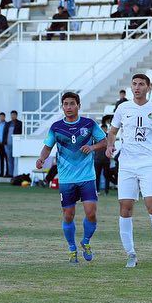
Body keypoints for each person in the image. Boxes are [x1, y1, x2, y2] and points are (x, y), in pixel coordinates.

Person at [105, 73, 152, 268]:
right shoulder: (123, 108)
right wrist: (110, 145)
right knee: (125, 208)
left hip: (149, 164)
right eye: (134, 84)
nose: (137, 87)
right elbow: (113, 131)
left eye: (141, 84)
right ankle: (131, 253)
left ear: (148, 87)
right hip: (126, 164)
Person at [36, 92, 106, 263]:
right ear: (62, 106)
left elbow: (104, 142)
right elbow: (47, 146)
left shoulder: (89, 124)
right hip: (66, 179)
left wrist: (92, 147)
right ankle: (72, 248)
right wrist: (41, 158)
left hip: (87, 177)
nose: (68, 107)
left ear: (78, 105)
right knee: (68, 215)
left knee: (91, 214)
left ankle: (86, 242)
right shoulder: (56, 127)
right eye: (65, 104)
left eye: (72, 104)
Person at [94, 124, 113, 195]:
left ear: (106, 129)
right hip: (97, 159)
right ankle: (97, 190)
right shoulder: (96, 136)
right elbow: (94, 146)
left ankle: (106, 191)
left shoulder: (109, 137)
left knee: (106, 176)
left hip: (106, 159)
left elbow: (112, 146)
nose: (103, 130)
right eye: (101, 128)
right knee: (97, 175)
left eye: (104, 128)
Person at [6, 110, 22, 177]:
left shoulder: (20, 123)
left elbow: (21, 133)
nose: (12, 116)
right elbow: (5, 133)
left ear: (16, 115)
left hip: (16, 145)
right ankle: (10, 174)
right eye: (11, 115)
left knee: (17, 160)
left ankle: (17, 174)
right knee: (9, 160)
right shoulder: (8, 123)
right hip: (8, 144)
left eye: (14, 115)